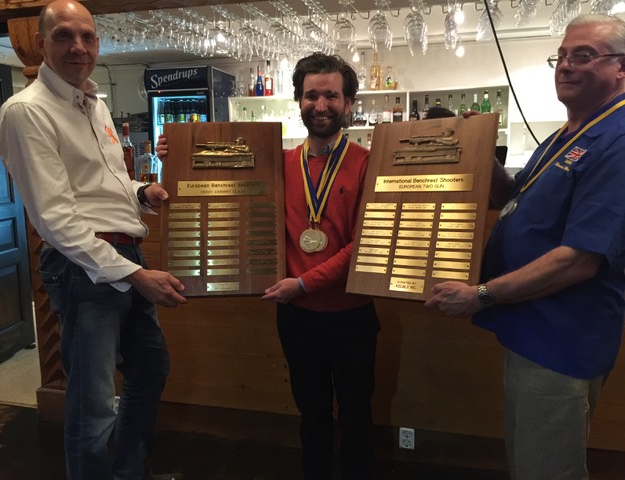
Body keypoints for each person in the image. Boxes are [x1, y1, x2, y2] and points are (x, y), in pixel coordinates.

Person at [156, 53, 379, 480]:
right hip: (296, 317)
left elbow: (364, 243)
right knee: (311, 413)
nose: (321, 105)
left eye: (331, 95)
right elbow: (213, 185)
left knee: (356, 414)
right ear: (299, 102)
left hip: (351, 314)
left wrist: (304, 283)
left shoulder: (368, 162)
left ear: (348, 103)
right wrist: (175, 154)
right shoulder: (277, 162)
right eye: (311, 95)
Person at [425, 14, 625, 480]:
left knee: (546, 468)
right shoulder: (569, 133)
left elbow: (580, 259)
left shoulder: (618, 138)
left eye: (584, 55)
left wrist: (480, 294)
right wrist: (480, 151)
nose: (566, 66)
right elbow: (515, 199)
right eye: (562, 56)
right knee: (529, 458)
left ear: (621, 68)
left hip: (562, 337)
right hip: (532, 327)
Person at [0, 1, 187, 479]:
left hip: (123, 252)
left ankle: (127, 472)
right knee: (93, 402)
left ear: (98, 43)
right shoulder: (27, 111)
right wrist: (136, 274)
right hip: (82, 266)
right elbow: (56, 220)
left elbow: (101, 185)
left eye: (87, 37)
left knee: (150, 371)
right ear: (41, 43)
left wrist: (141, 192)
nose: (78, 47)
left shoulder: (94, 103)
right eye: (64, 35)